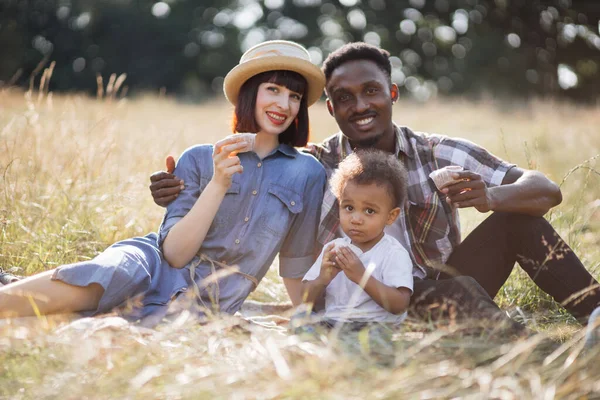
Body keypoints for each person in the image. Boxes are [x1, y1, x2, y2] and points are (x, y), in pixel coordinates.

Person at [150, 42, 600, 324]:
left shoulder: (437, 151)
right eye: (343, 98)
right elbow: (257, 162)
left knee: (518, 223)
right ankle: (478, 325)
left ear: (393, 93)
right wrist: (183, 184)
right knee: (446, 301)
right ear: (331, 109)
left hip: (443, 283)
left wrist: (492, 196)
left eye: (371, 91)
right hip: (359, 294)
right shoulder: (316, 164)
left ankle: (595, 315)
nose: (359, 105)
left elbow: (546, 189)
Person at [0, 40, 327, 323]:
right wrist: (218, 184)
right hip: (150, 264)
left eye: (294, 96)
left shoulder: (307, 172)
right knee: (108, 276)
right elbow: (173, 255)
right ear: (249, 93)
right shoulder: (199, 158)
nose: (283, 105)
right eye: (273, 89)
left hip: (206, 306)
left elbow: (295, 267)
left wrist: (308, 324)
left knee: (71, 322)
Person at [301, 150, 413, 325]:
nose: (356, 219)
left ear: (391, 216)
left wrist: (361, 276)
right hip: (333, 322)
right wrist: (322, 278)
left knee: (369, 340)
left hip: (374, 325)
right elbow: (305, 300)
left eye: (369, 211)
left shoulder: (393, 253)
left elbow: (399, 304)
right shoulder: (334, 248)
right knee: (299, 322)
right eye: (349, 208)